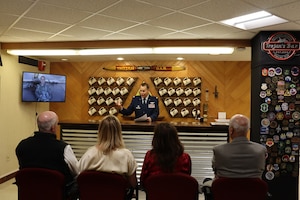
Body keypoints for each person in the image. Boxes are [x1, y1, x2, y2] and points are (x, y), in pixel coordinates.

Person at [15, 111, 79, 200]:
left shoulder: (22, 145)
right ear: (53, 128)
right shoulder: (63, 148)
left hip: (30, 194)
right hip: (58, 194)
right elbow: (76, 171)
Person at [202, 114, 267, 200]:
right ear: (247, 130)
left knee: (207, 181)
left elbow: (215, 171)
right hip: (252, 194)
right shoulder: (260, 150)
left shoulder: (219, 150)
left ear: (231, 130)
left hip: (225, 195)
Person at [77, 115, 137, 200]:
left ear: (100, 131)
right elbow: (133, 184)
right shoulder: (127, 156)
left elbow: (78, 177)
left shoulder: (89, 154)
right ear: (119, 132)